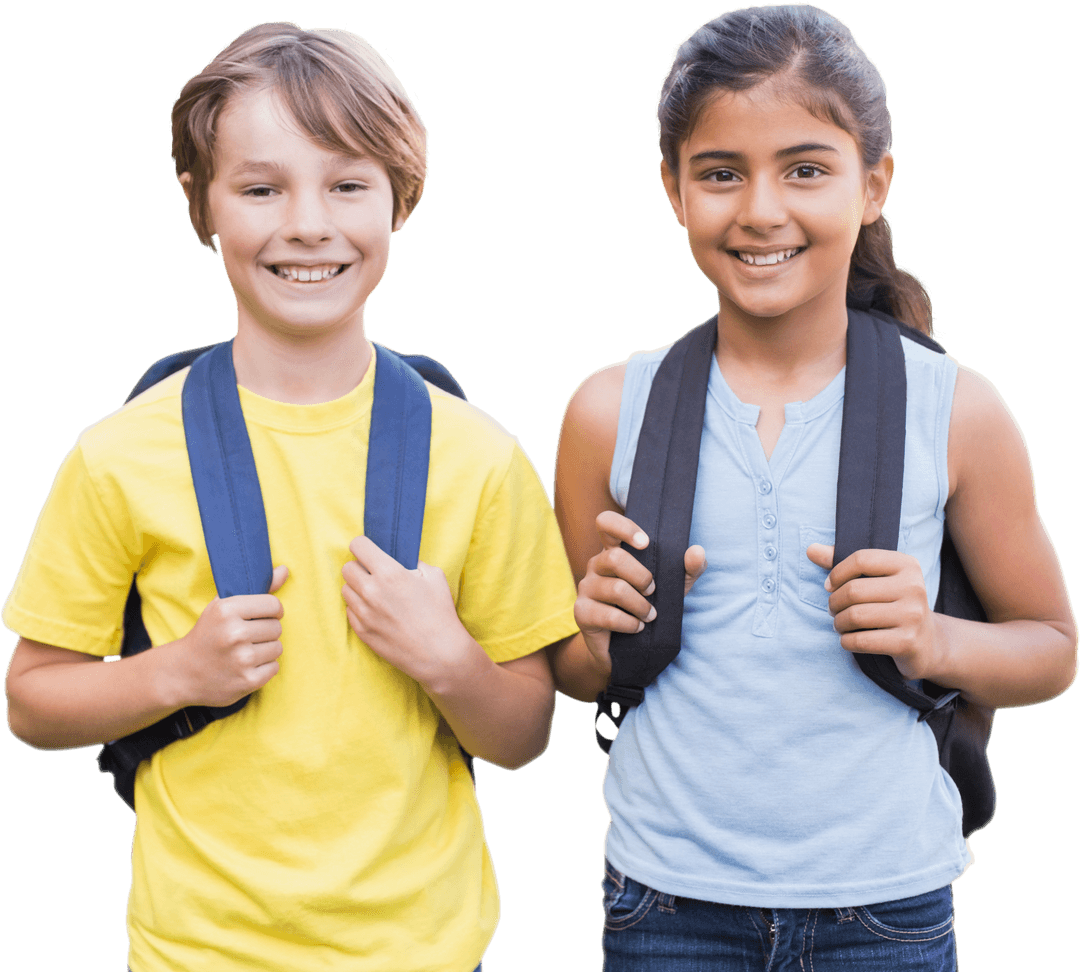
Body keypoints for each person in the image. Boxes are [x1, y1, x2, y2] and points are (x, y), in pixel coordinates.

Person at [3, 22, 577, 972]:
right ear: (202, 204)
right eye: (262, 188)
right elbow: (29, 701)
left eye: (347, 185)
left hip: (424, 950)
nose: (308, 224)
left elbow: (523, 734)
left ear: (400, 197)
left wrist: (451, 662)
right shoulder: (118, 455)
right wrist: (177, 672)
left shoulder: (480, 457)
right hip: (196, 952)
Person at [548, 5, 1077, 970]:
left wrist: (932, 639)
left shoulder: (956, 409)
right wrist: (592, 635)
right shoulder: (607, 410)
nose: (761, 209)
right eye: (720, 173)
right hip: (666, 903)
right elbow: (576, 671)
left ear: (872, 184)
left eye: (805, 169)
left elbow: (1052, 648)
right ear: (673, 189)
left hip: (885, 905)